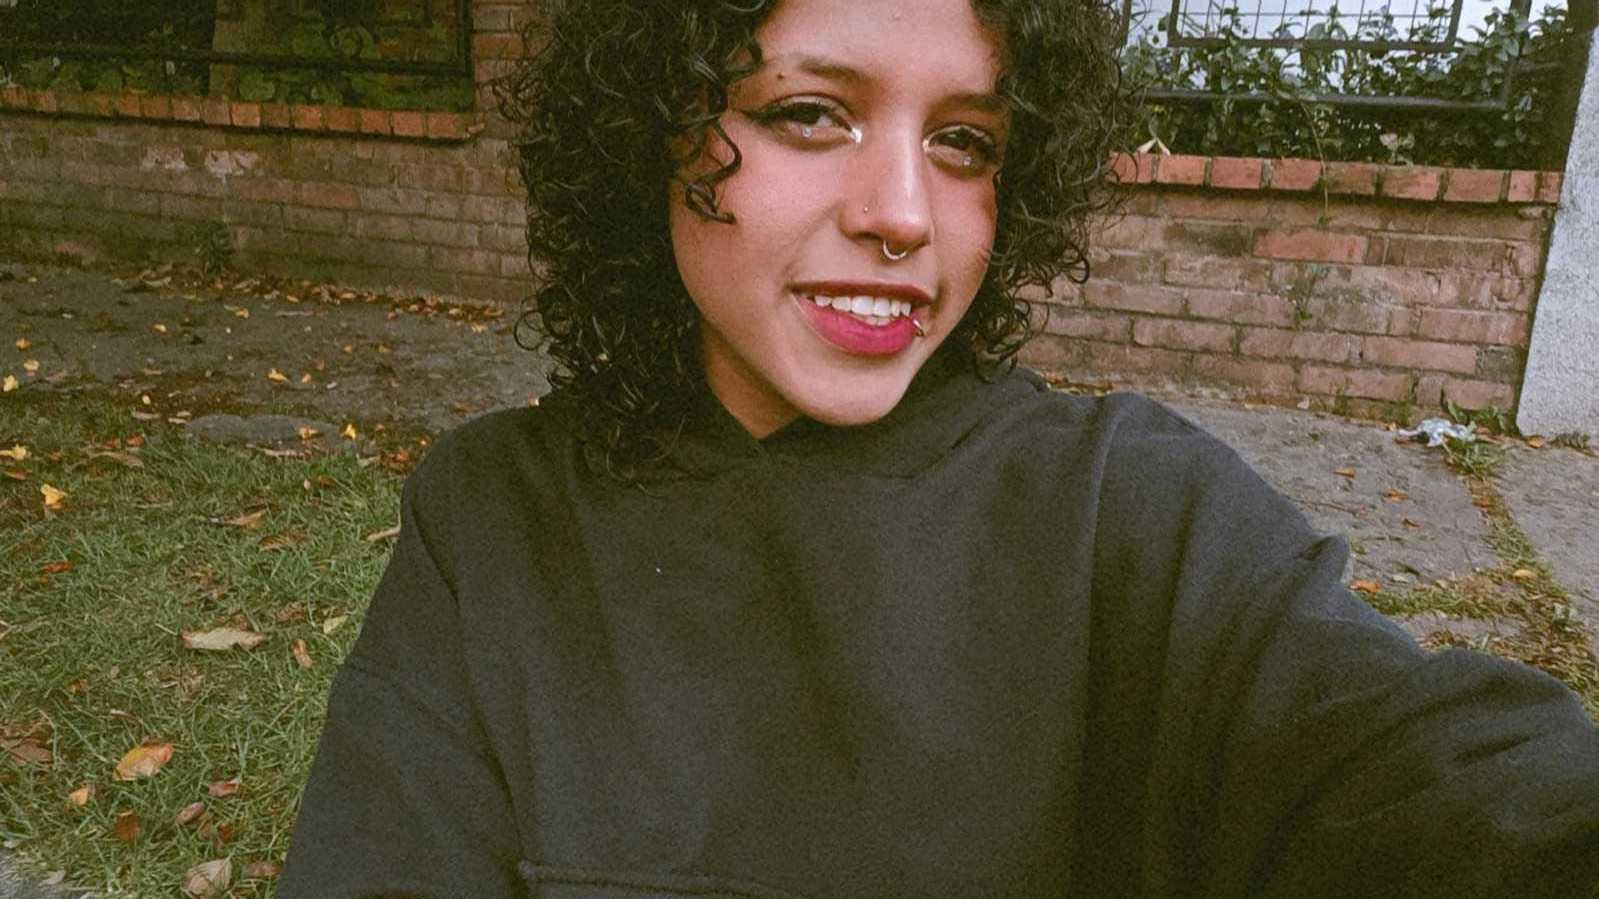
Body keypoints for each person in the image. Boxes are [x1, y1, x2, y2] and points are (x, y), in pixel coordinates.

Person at [277, 0, 1599, 895]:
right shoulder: (496, 520)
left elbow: (1443, 785)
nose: (905, 213)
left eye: (965, 141)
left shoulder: (1131, 508)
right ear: (646, 129)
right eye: (810, 113)